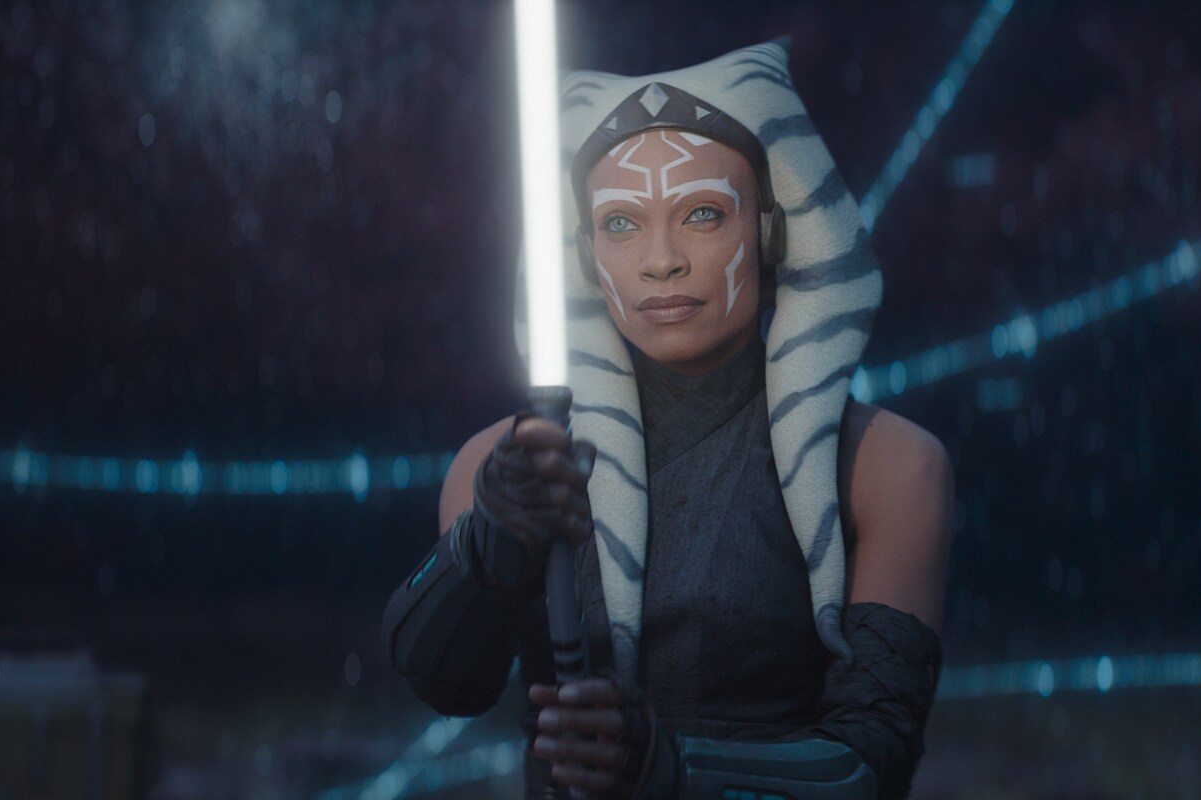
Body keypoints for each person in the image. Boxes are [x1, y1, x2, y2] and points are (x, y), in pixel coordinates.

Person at [383, 39, 952, 799]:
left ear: (769, 228)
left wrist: (667, 769)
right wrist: (488, 542)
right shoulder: (508, 465)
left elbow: (869, 766)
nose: (661, 260)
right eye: (621, 223)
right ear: (584, 251)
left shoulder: (886, 467)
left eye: (703, 213)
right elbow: (444, 682)